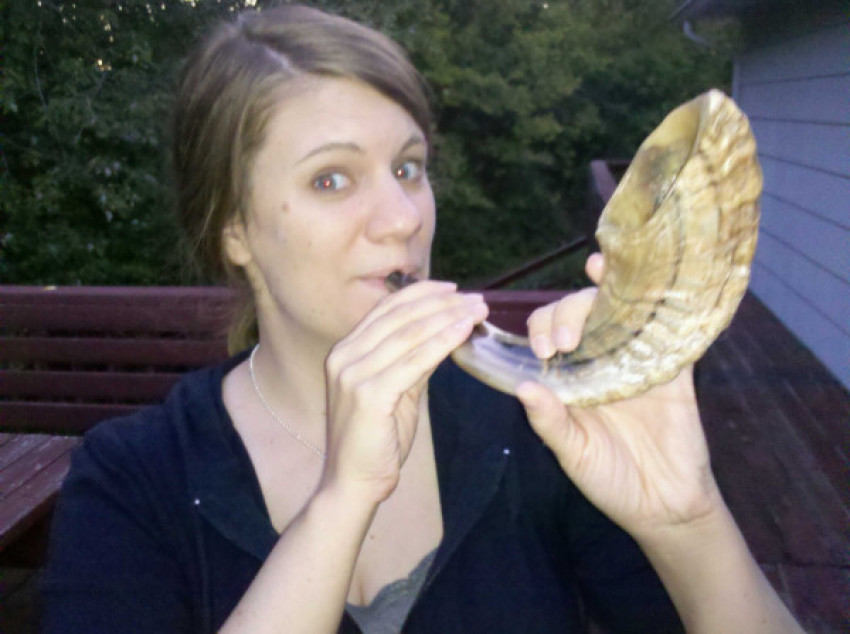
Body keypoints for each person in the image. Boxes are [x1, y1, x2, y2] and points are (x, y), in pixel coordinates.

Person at [42, 5, 803, 633]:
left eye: (408, 167)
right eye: (332, 179)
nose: (404, 217)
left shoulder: (532, 427)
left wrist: (685, 519)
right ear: (232, 231)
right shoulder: (132, 477)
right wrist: (341, 502)